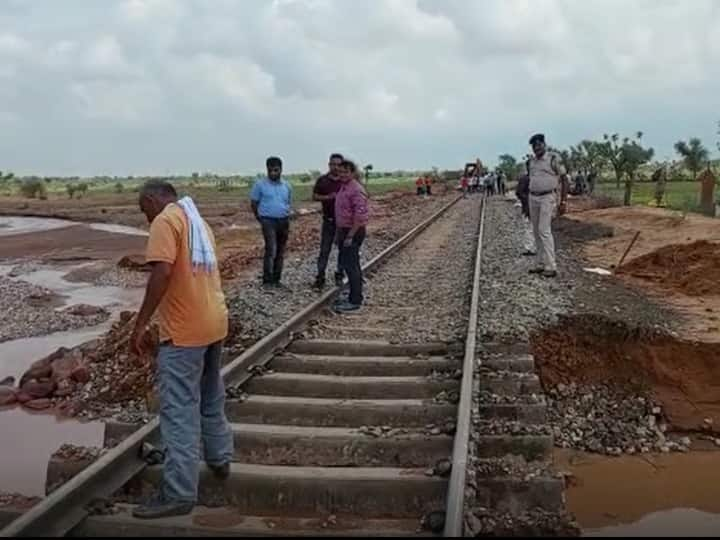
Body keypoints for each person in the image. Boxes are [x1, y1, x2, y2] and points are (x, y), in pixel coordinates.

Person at [130, 180, 233, 519]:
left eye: (143, 209)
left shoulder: (165, 221)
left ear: (152, 199)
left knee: (179, 412)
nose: (145, 217)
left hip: (184, 331)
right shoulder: (196, 220)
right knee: (210, 396)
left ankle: (179, 493)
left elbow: (162, 271)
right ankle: (220, 459)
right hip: (214, 322)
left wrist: (141, 322)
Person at [527, 133, 568, 278]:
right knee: (536, 231)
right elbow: (530, 179)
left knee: (544, 230)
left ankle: (551, 266)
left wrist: (563, 201)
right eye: (534, 146)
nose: (536, 148)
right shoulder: (531, 162)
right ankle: (540, 263)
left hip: (547, 197)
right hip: (533, 197)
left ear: (544, 145)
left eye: (539, 145)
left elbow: (564, 179)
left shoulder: (553, 159)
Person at [250, 157, 292, 287]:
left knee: (280, 251)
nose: (273, 173)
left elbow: (288, 202)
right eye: (270, 170)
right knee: (271, 249)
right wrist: (259, 217)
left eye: (276, 170)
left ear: (281, 169)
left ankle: (276, 279)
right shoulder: (260, 185)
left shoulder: (287, 186)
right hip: (268, 221)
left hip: (284, 221)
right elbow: (254, 203)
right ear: (267, 169)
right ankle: (267, 280)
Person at [334, 160, 369, 313]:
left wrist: (350, 236)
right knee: (348, 264)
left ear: (353, 173)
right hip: (344, 230)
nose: (342, 175)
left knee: (351, 265)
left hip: (352, 231)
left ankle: (355, 300)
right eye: (340, 172)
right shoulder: (344, 187)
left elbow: (360, 216)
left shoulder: (356, 189)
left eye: (345, 172)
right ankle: (353, 294)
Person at [312, 153, 344, 289]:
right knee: (325, 250)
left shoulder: (346, 180)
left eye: (338, 164)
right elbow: (314, 196)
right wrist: (328, 197)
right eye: (333, 164)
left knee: (343, 250)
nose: (335, 167)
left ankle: (339, 274)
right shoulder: (322, 180)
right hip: (329, 221)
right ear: (329, 165)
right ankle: (320, 276)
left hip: (343, 222)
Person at [515, 173, 536, 256]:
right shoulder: (540, 177)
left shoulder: (525, 178)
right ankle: (533, 248)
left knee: (530, 228)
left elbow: (519, 192)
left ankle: (531, 248)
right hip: (534, 207)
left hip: (530, 207)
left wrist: (526, 200)